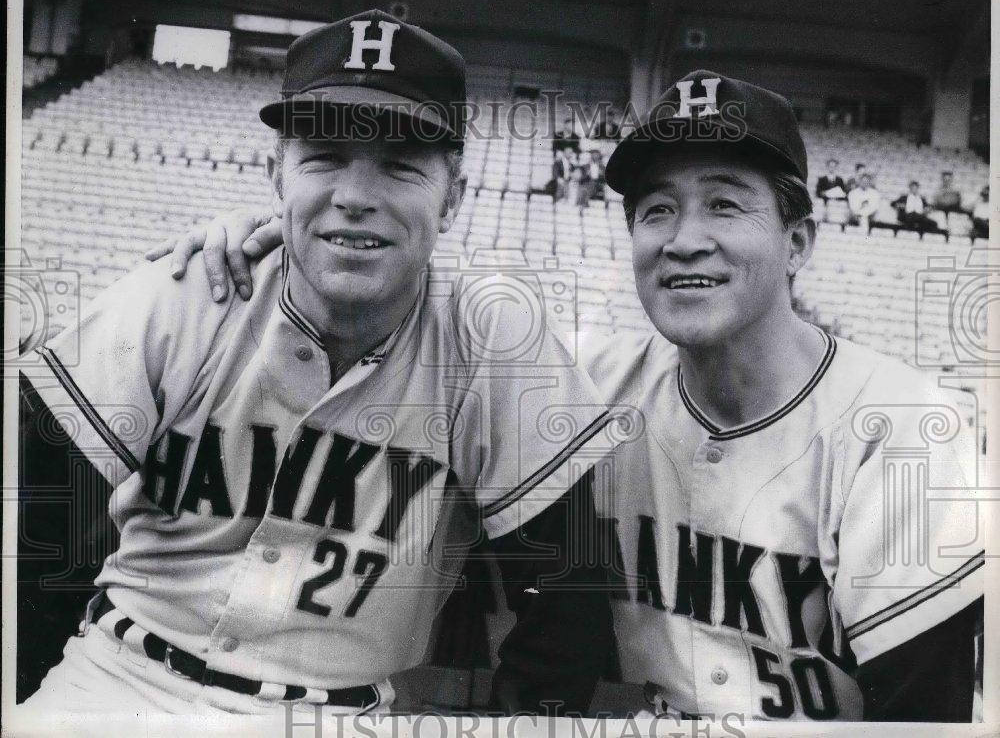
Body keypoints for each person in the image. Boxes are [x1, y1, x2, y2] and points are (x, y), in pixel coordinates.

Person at [158, 70, 985, 723]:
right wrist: (269, 243)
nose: (684, 236)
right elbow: (414, 324)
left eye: (725, 203)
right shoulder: (587, 385)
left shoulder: (906, 429)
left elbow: (925, 718)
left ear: (798, 239)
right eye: (657, 208)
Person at [16, 9, 616, 718]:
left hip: (336, 713)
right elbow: (33, 535)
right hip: (117, 679)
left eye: (399, 165)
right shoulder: (186, 294)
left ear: (452, 197)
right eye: (324, 156)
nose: (356, 197)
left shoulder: (492, 343)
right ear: (277, 174)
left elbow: (569, 603)